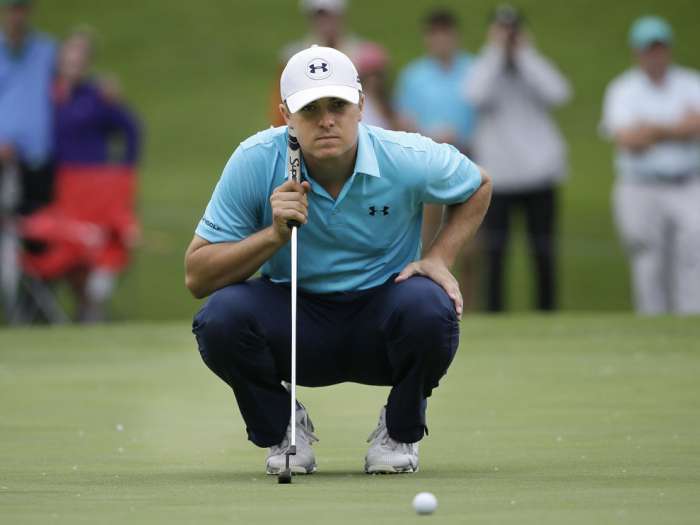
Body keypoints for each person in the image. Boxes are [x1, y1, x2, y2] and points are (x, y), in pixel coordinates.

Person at [186, 46, 492, 475]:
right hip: (295, 322)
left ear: (361, 105)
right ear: (285, 114)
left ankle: (400, 431)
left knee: (431, 307)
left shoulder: (403, 155)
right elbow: (197, 274)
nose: (326, 119)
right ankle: (282, 427)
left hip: (384, 317)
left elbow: (477, 184)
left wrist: (439, 257)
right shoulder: (256, 160)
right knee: (220, 318)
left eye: (338, 105)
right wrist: (273, 236)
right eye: (310, 108)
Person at [463, 4, 571, 312]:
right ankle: (495, 313)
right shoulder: (485, 66)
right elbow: (474, 95)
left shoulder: (533, 64)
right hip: (500, 176)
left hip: (540, 175)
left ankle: (548, 312)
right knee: (495, 253)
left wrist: (523, 55)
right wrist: (496, 52)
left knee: (543, 253)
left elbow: (559, 93)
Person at [601, 16, 700, 315]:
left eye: (659, 48)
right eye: (648, 50)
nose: (654, 56)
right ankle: (652, 320)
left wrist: (652, 129)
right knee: (647, 257)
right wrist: (676, 128)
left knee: (693, 252)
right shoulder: (623, 89)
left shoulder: (691, 82)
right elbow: (627, 138)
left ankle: (690, 320)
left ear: (668, 49)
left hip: (687, 182)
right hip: (640, 185)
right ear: (637, 52)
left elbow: (694, 126)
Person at [50, 28, 141, 322]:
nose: (74, 63)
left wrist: (122, 173)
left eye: (80, 57)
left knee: (104, 245)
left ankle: (91, 307)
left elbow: (130, 129)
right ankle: (83, 306)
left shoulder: (97, 96)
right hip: (60, 183)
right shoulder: (50, 93)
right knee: (68, 247)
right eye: (69, 56)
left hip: (95, 184)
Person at [394, 8, 478, 308]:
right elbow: (403, 120)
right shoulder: (414, 76)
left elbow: (483, 115)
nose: (441, 40)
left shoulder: (473, 69)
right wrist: (432, 134)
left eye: (446, 33)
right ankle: (427, 301)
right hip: (427, 165)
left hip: (468, 160)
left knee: (469, 245)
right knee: (428, 239)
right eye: (435, 34)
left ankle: (468, 306)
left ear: (454, 36)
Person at [0, 0, 56, 321]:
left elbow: (66, 87)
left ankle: (32, 313)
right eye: (12, 8)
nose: (17, 15)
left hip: (36, 161)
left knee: (37, 236)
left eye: (22, 8)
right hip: (2, 160)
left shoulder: (46, 50)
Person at [268, 0, 366, 127]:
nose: (324, 21)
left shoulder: (366, 56)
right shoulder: (291, 56)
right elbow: (281, 102)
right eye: (319, 16)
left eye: (329, 15)